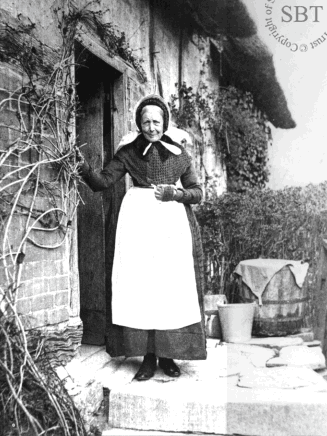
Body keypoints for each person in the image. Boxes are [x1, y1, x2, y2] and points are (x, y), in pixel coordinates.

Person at [77, 94, 206, 381]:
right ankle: (147, 357)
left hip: (171, 225)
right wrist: (81, 165)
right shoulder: (128, 152)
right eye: (146, 121)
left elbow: (197, 192)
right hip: (136, 225)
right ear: (139, 123)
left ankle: (168, 355)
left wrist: (175, 194)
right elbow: (102, 182)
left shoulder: (179, 154)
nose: (151, 127)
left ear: (165, 122)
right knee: (142, 286)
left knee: (170, 287)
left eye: (156, 121)